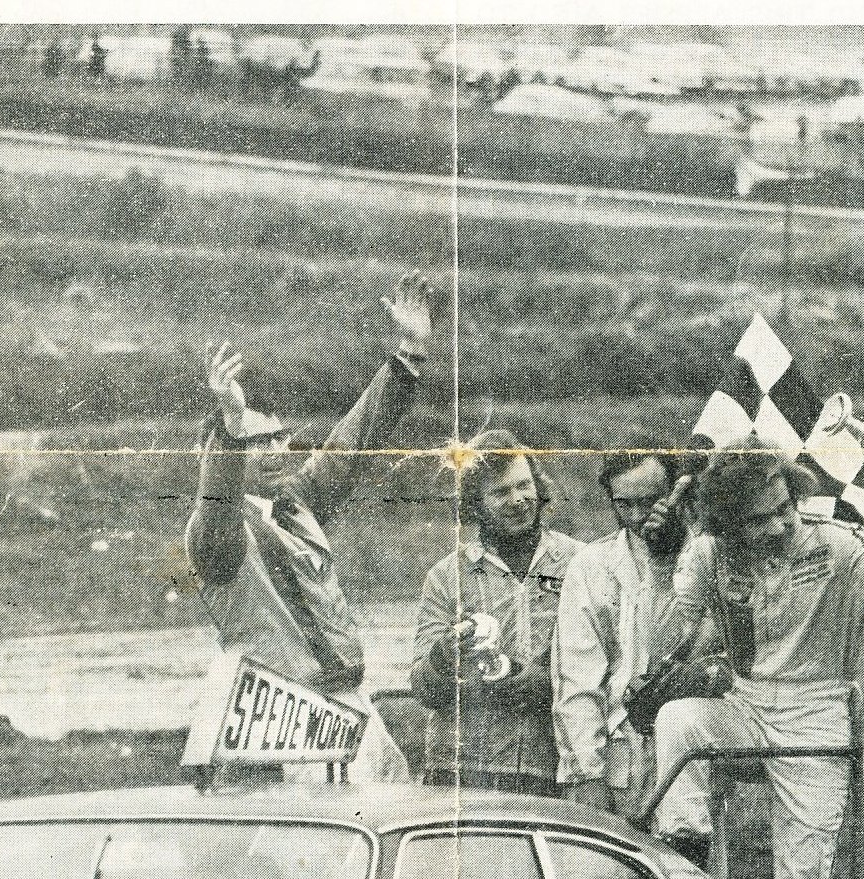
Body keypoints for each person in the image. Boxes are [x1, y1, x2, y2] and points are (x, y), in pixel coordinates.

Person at [650, 443, 864, 879]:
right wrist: (669, 564)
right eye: (759, 519)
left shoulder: (837, 545)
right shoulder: (708, 552)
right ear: (727, 524)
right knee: (679, 719)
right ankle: (686, 849)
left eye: (785, 508)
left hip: (818, 709)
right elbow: (671, 640)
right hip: (744, 704)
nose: (779, 525)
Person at [184, 270, 438, 784]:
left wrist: (409, 354)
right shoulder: (218, 532)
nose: (278, 449)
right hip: (278, 723)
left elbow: (353, 441)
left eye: (280, 437)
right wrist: (231, 430)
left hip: (346, 704)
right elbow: (217, 503)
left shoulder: (297, 502)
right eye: (260, 441)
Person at [411, 431, 581, 796]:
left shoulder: (580, 562)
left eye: (524, 485)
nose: (518, 500)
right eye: (501, 492)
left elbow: (613, 664)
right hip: (462, 770)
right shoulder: (445, 576)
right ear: (475, 504)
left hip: (553, 767)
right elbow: (423, 689)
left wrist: (549, 683)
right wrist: (443, 657)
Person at [553, 452, 694, 818]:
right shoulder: (590, 567)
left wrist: (666, 557)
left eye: (650, 501)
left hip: (695, 758)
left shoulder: (709, 555)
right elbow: (578, 682)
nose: (637, 516)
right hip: (622, 767)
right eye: (623, 504)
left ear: (678, 491)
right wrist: (587, 776)